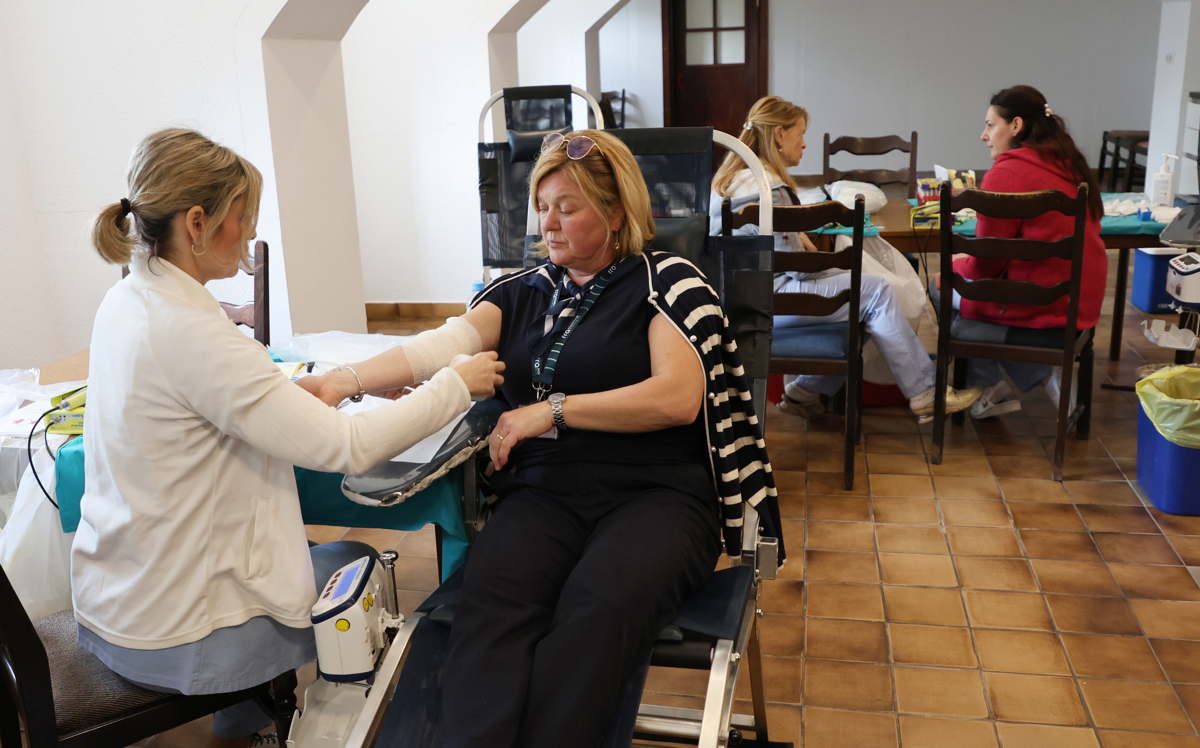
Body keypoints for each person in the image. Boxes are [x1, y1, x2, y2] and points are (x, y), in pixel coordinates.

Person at [303, 129, 781, 747]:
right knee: (491, 607)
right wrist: (342, 381)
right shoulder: (522, 291)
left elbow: (676, 397)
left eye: (566, 208)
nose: (547, 224)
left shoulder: (667, 281)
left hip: (659, 497)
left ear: (615, 214)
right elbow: (437, 347)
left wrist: (550, 411)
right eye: (542, 207)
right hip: (544, 494)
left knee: (596, 612)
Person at [75, 128, 504, 748]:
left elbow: (213, 400)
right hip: (177, 629)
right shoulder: (193, 333)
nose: (248, 233)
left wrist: (314, 391)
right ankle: (272, 730)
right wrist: (455, 385)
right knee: (354, 564)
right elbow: (350, 447)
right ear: (196, 223)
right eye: (241, 217)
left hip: (115, 601)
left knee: (304, 554)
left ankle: (245, 728)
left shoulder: (127, 300)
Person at [710, 95, 981, 422]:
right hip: (767, 300)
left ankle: (803, 394)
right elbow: (800, 271)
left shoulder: (730, 180)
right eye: (800, 134)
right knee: (877, 293)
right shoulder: (773, 190)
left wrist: (801, 242)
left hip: (735, 299)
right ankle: (925, 393)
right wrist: (820, 257)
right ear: (780, 134)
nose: (804, 143)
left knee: (865, 301)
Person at [934, 85, 1107, 418]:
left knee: (941, 285)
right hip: (1080, 302)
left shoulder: (1007, 173)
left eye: (990, 125)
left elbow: (986, 264)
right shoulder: (1069, 162)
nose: (984, 135)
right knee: (964, 288)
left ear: (1016, 125)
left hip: (1044, 306)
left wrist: (958, 265)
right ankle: (1001, 386)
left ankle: (993, 386)